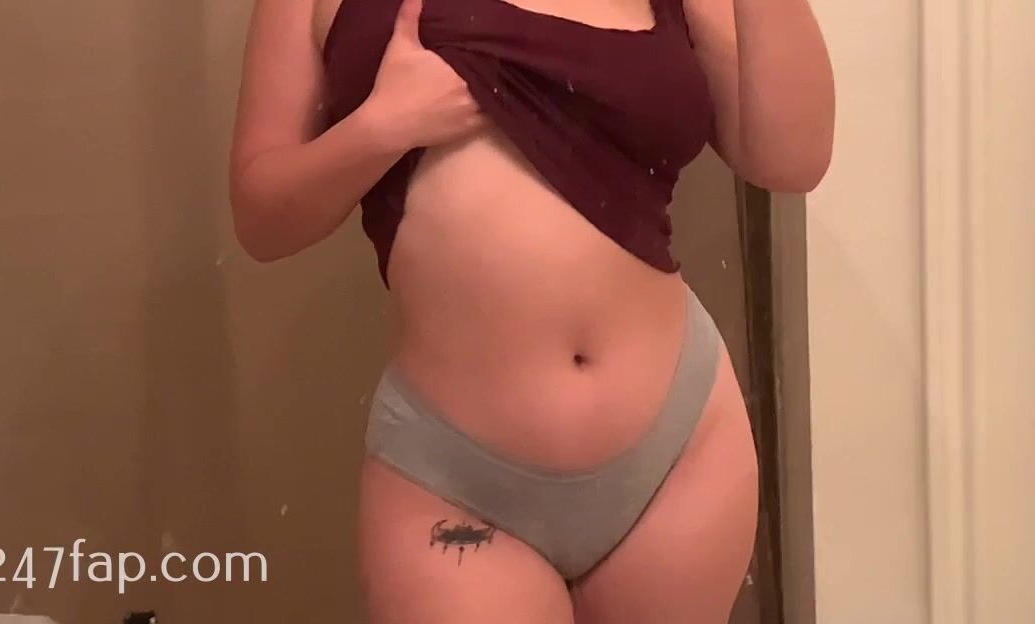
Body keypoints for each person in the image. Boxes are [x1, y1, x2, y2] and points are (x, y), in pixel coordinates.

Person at [228, 0, 833, 619]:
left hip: (676, 450)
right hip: (456, 479)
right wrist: (380, 128)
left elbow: (792, 161)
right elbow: (262, 219)